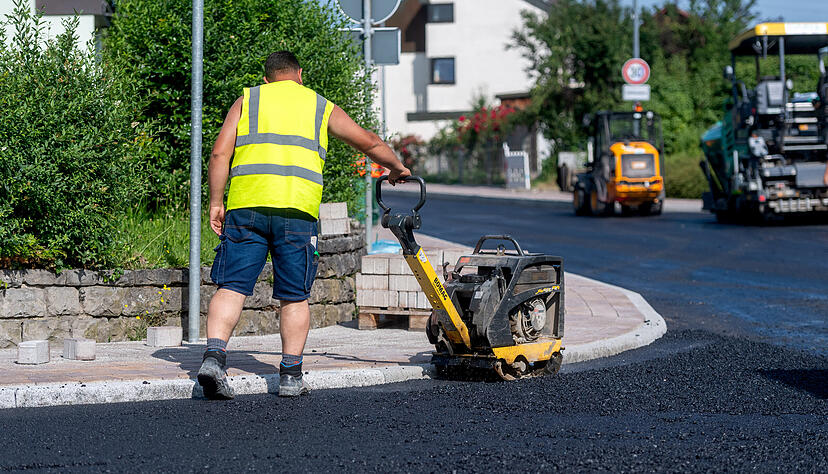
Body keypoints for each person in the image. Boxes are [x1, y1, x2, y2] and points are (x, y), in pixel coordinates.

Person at [197, 51, 411, 399]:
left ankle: (214, 358)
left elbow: (220, 154)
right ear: (299, 74)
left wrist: (216, 202)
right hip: (297, 213)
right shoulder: (318, 104)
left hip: (246, 208)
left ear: (267, 78)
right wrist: (397, 168)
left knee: (232, 286)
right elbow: (368, 141)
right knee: (294, 296)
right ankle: (291, 376)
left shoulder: (248, 99)